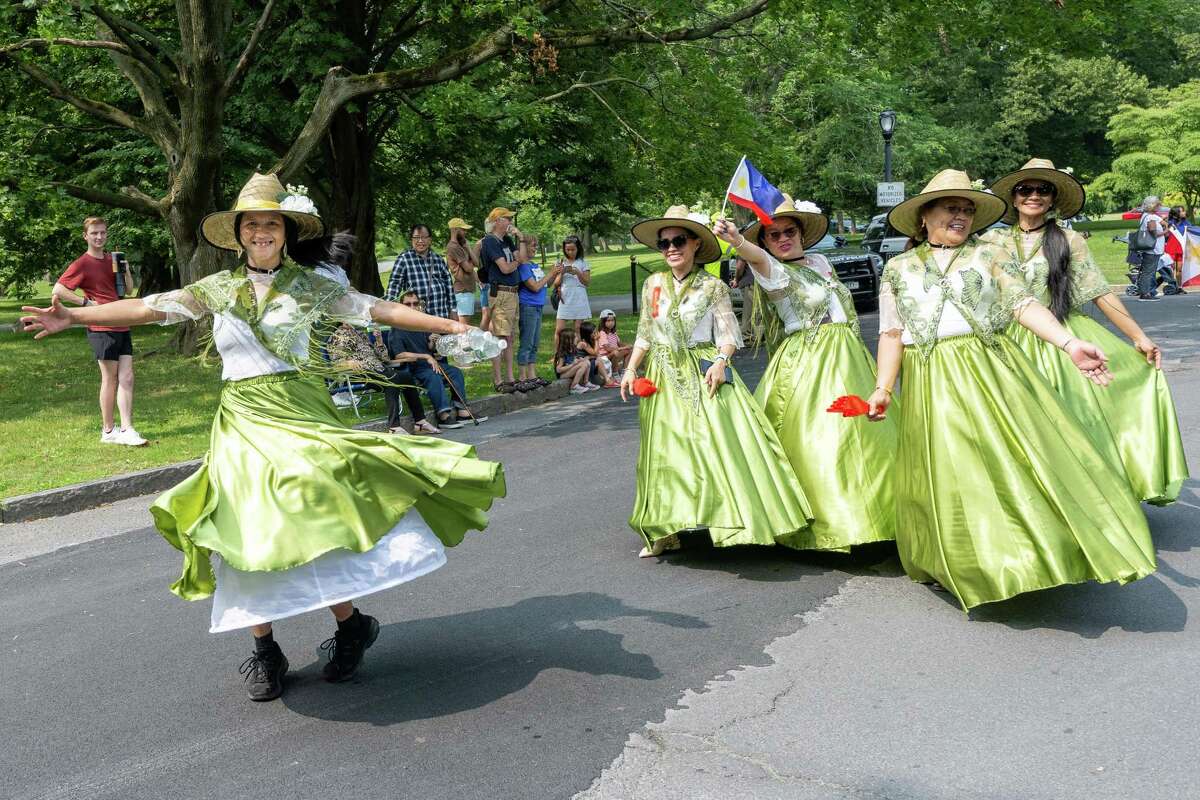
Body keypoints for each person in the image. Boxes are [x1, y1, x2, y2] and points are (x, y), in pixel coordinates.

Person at [22, 173, 505, 702]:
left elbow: (375, 308)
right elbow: (146, 306)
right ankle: (266, 650)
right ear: (239, 233)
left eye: (270, 223)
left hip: (300, 411)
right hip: (244, 419)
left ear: (285, 231)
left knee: (316, 510)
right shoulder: (218, 290)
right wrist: (74, 316)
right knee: (246, 526)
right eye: (251, 224)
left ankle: (350, 625)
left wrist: (449, 326)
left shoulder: (313, 286)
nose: (260, 231)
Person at [868, 169, 1155, 611]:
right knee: (947, 467)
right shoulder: (898, 268)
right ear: (924, 216)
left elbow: (1023, 305)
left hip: (988, 369)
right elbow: (891, 333)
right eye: (951, 208)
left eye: (967, 209)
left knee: (1012, 460)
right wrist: (883, 387)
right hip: (930, 377)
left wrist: (1069, 342)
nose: (961, 216)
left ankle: (1028, 551)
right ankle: (962, 560)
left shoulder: (988, 255)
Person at [983, 158, 1187, 505]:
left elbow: (1101, 294)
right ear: (1014, 198)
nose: (1034, 195)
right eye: (1026, 189)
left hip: (1063, 340)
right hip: (1006, 343)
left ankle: (1083, 500)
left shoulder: (1068, 239)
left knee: (1074, 424)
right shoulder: (991, 240)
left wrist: (1139, 336)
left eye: (1043, 190)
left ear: (1053, 199)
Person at [621, 205, 813, 558]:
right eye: (664, 244)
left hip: (703, 369)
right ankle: (665, 530)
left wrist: (722, 361)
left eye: (679, 240)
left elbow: (729, 333)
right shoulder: (652, 284)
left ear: (695, 244)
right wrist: (632, 368)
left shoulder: (713, 287)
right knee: (664, 451)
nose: (671, 249)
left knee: (717, 447)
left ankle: (735, 518)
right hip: (663, 374)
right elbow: (645, 334)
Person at [713, 194, 899, 551]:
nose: (783, 238)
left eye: (789, 231)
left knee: (868, 436)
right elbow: (758, 259)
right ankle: (833, 523)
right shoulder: (772, 270)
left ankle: (879, 516)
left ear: (801, 234)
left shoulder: (819, 262)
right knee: (825, 439)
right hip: (811, 361)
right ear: (765, 242)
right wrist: (737, 241)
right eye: (773, 234)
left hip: (851, 357)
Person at [53, 216, 146, 446]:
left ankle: (127, 429)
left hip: (122, 322)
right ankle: (108, 430)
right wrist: (85, 304)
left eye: (103, 233)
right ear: (86, 236)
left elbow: (129, 289)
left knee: (128, 377)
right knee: (110, 378)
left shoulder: (111, 260)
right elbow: (58, 289)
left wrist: (125, 271)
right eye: (94, 233)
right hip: (101, 327)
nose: (99, 237)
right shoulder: (82, 263)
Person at [388, 290, 489, 429]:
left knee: (455, 372)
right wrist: (426, 356)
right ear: (401, 306)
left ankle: (462, 411)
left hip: (430, 364)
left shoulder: (421, 324)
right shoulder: (397, 328)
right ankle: (443, 415)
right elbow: (399, 355)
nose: (412, 307)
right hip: (414, 368)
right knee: (433, 376)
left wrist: (433, 343)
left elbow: (431, 349)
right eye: (408, 304)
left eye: (415, 303)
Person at [325, 322, 439, 435]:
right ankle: (394, 427)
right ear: (342, 319)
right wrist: (348, 362)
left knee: (406, 377)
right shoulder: (337, 336)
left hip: (380, 369)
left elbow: (384, 359)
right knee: (392, 379)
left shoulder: (360, 333)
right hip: (361, 373)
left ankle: (420, 423)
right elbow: (336, 363)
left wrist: (379, 340)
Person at [479, 207, 530, 393]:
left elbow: (523, 258)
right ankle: (499, 380)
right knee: (500, 337)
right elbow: (506, 268)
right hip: (500, 292)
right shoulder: (490, 242)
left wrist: (521, 238)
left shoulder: (507, 240)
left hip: (513, 293)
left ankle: (510, 378)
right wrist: (517, 262)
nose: (510, 222)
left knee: (510, 337)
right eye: (507, 219)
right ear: (497, 220)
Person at [385, 223, 456, 322]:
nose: (420, 241)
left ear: (430, 240)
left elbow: (448, 284)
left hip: (441, 317)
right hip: (419, 320)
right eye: (416, 237)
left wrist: (453, 309)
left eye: (424, 237)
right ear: (412, 240)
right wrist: (388, 309)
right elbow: (394, 285)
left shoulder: (438, 259)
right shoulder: (404, 259)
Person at [517, 238, 559, 391]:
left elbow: (545, 284)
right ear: (524, 248)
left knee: (534, 343)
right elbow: (534, 287)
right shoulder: (523, 267)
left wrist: (555, 273)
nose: (535, 248)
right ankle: (522, 377)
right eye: (532, 245)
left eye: (536, 245)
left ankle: (532, 375)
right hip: (527, 306)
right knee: (527, 342)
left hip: (538, 306)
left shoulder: (534, 266)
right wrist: (550, 273)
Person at [553, 235, 592, 341]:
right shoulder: (560, 262)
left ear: (578, 248)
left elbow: (587, 282)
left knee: (578, 328)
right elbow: (555, 284)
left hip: (579, 297)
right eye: (567, 249)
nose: (570, 252)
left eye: (573, 249)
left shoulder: (583, 263)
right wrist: (561, 273)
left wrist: (578, 272)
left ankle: (576, 354)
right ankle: (557, 354)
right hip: (565, 297)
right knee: (559, 329)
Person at [445, 218, 479, 325]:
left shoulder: (461, 246)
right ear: (455, 229)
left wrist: (468, 248)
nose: (465, 232)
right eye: (463, 229)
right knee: (463, 329)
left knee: (463, 328)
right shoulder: (453, 247)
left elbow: (476, 263)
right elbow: (469, 268)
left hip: (466, 291)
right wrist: (472, 249)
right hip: (462, 291)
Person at [1134, 197, 1168, 301]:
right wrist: (1165, 231)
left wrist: (1164, 225)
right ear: (1152, 205)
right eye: (1157, 205)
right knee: (1149, 271)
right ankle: (1145, 294)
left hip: (1153, 249)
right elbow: (1154, 233)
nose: (1159, 207)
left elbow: (1162, 222)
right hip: (1152, 249)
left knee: (1149, 271)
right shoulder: (1150, 218)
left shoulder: (1149, 216)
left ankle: (1147, 292)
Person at [576, 319, 617, 387]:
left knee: (601, 359)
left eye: (596, 331)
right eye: (594, 332)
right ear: (587, 334)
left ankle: (609, 379)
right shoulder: (583, 343)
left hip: (588, 363)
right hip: (583, 366)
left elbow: (595, 355)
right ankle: (607, 381)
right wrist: (597, 340)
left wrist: (590, 357)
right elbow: (595, 353)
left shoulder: (590, 341)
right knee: (599, 360)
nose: (596, 334)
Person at [554, 329, 595, 394]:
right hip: (563, 374)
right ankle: (574, 387)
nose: (577, 338)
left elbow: (573, 359)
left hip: (570, 370)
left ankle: (586, 382)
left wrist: (579, 359)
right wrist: (573, 364)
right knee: (583, 364)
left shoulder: (573, 349)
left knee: (586, 362)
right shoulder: (562, 353)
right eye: (575, 337)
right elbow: (558, 370)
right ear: (568, 340)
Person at [596, 309, 632, 375]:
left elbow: (619, 343)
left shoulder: (613, 333)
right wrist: (622, 348)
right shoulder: (602, 333)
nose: (611, 323)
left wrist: (627, 345)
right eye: (608, 321)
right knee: (616, 353)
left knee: (629, 350)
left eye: (612, 320)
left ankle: (624, 371)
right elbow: (608, 348)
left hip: (613, 353)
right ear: (603, 322)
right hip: (604, 357)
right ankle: (615, 373)